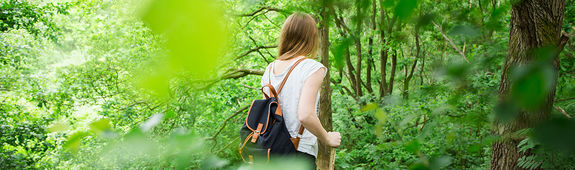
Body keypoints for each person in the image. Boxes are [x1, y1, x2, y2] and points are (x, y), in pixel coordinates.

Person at [260, 12, 341, 169]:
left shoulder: (270, 69)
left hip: (269, 153)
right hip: (298, 153)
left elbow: (267, 114)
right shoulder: (312, 67)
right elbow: (305, 115)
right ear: (311, 37)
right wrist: (327, 138)